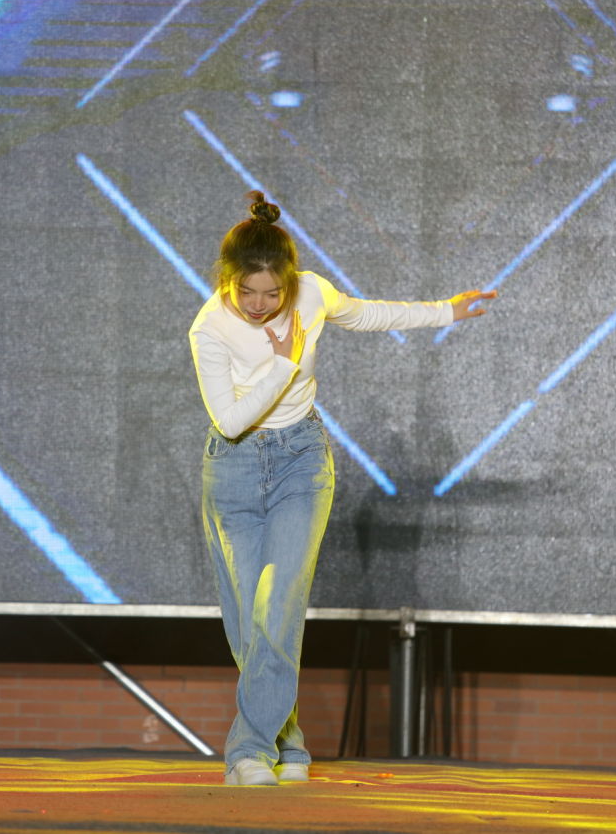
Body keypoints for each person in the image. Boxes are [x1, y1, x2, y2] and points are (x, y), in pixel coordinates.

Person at [188, 190, 495, 786]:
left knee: (279, 604)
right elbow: (229, 421)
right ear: (228, 279)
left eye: (271, 293)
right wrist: (285, 362)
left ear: (289, 279)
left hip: (302, 462)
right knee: (249, 622)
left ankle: (248, 752)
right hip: (234, 467)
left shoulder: (312, 293)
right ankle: (290, 745)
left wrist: (446, 312)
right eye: (246, 292)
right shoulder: (210, 327)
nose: (259, 305)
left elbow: (369, 314)